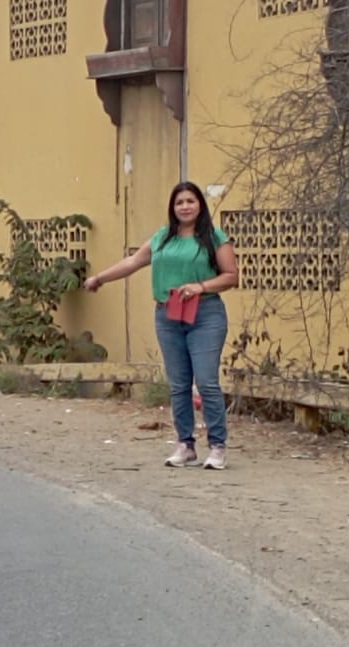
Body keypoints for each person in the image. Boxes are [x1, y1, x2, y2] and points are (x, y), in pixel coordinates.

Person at [84, 181, 240, 469]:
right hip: (169, 315)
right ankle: (185, 445)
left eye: (190, 201)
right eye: (179, 202)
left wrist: (201, 286)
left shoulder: (214, 237)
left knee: (206, 382)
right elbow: (133, 261)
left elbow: (231, 275)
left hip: (205, 314)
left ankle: (217, 446)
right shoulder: (162, 238)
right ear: (173, 207)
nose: (185, 207)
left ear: (200, 205)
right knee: (179, 384)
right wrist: (100, 278)